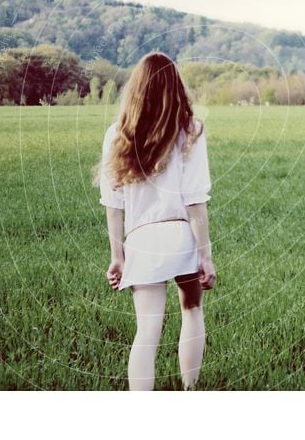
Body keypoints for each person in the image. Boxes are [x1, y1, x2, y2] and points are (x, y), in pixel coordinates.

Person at [92, 51, 217, 391]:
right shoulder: (191, 130)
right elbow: (195, 201)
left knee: (147, 330)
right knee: (191, 310)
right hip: (180, 234)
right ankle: (190, 390)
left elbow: (113, 203)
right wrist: (205, 255)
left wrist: (117, 256)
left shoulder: (118, 134)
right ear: (176, 87)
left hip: (141, 239)